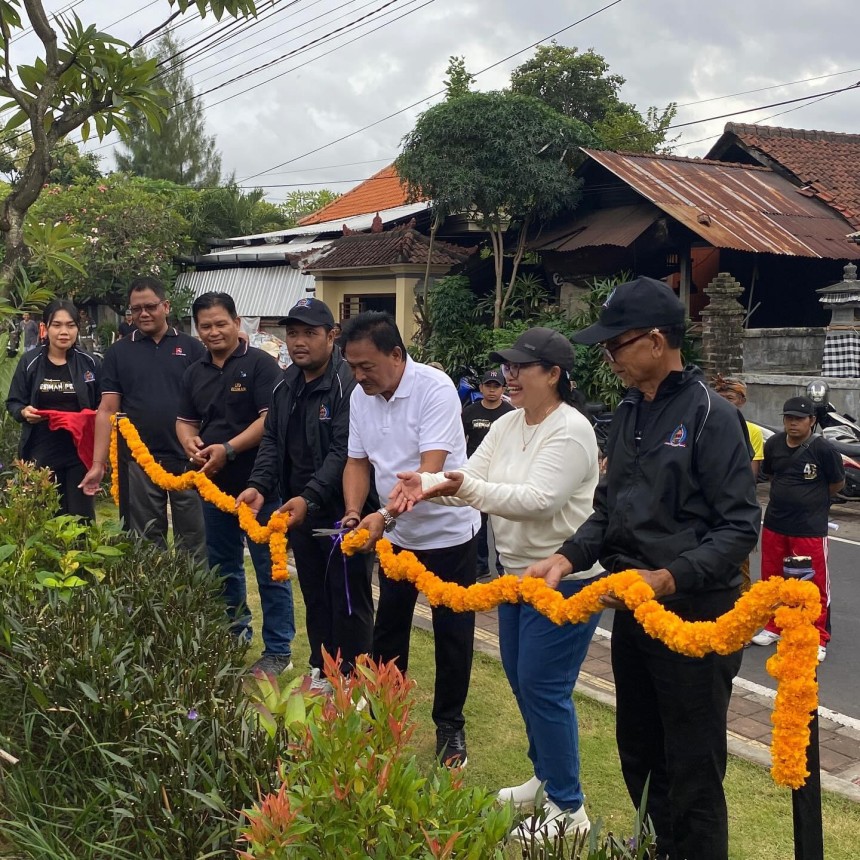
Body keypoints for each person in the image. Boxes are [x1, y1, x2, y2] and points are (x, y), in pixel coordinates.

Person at [525, 276, 760, 860]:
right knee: (639, 747)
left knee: (693, 760)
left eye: (616, 345)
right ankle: (656, 845)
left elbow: (738, 527)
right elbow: (610, 512)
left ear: (657, 341)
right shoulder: (630, 413)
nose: (609, 359)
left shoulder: (710, 416)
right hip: (633, 608)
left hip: (693, 615)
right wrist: (567, 556)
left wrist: (669, 576)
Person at [390, 328, 601, 838]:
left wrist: (460, 486)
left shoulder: (571, 429)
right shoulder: (507, 423)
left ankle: (570, 808)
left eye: (520, 367)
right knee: (520, 678)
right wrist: (430, 484)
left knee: (544, 688)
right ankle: (545, 777)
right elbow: (469, 475)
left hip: (562, 579)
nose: (508, 376)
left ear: (553, 375)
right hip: (512, 575)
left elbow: (538, 499)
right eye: (506, 366)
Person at [341, 311, 480, 767]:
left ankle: (450, 726)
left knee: (452, 635)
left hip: (448, 534)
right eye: (353, 367)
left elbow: (429, 472)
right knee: (390, 628)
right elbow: (357, 462)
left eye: (367, 367)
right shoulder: (361, 396)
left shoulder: (434, 389)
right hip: (395, 535)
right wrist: (353, 512)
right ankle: (386, 712)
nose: (358, 377)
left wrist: (379, 514)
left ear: (397, 355)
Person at [237, 297, 374, 688]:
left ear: (332, 336)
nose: (299, 342)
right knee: (314, 592)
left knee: (348, 595)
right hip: (299, 507)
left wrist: (311, 496)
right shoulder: (284, 385)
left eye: (309, 333)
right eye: (292, 333)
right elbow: (272, 443)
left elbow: (344, 451)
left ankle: (353, 674)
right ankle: (323, 666)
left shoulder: (349, 385)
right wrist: (259, 485)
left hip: (345, 507)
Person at [176, 292, 293, 675]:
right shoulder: (194, 370)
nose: (213, 332)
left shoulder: (261, 365)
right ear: (197, 329)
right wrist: (190, 442)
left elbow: (269, 423)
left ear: (236, 322)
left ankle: (278, 650)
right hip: (215, 487)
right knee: (222, 566)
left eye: (220, 323)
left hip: (260, 485)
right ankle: (233, 635)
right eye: (205, 326)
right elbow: (186, 421)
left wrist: (227, 447)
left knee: (269, 568)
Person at [79, 277, 207, 557]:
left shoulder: (193, 349)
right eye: (136, 309)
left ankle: (197, 600)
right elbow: (107, 409)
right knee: (146, 541)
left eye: (150, 306)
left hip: (188, 459)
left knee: (195, 540)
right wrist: (98, 464)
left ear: (166, 306)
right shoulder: (118, 353)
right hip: (139, 461)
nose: (144, 314)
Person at [751, 395, 844, 662]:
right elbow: (770, 474)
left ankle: (817, 636)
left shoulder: (823, 449)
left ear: (812, 421)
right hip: (776, 523)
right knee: (772, 579)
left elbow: (836, 485)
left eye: (799, 419)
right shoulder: (774, 445)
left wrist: (811, 501)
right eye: (788, 418)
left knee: (813, 585)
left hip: (810, 528)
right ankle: (774, 626)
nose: (793, 423)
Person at [7, 300, 101, 520]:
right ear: (45, 327)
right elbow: (13, 402)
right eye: (57, 325)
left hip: (80, 455)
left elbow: (103, 407)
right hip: (40, 455)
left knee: (81, 521)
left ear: (78, 328)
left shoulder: (91, 363)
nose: (64, 332)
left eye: (70, 325)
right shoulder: (30, 362)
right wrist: (23, 412)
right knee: (46, 519)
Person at [461, 368, 515, 581]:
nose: (492, 391)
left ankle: (503, 569)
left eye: (497, 386)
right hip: (477, 475)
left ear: (503, 389)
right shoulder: (469, 412)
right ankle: (480, 565)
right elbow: (458, 441)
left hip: (504, 475)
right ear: (481, 388)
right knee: (479, 524)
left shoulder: (511, 413)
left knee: (503, 524)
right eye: (488, 386)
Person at [712, 375, 763, 592]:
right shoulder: (707, 425)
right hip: (708, 507)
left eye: (730, 397)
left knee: (739, 572)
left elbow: (748, 476)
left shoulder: (752, 431)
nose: (725, 401)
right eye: (720, 396)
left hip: (735, 507)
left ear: (742, 401)